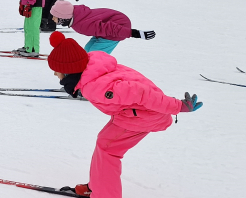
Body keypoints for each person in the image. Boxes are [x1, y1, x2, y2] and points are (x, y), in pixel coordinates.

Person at [46, 31, 202, 198]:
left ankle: (105, 194)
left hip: (143, 117)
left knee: (108, 150)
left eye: (57, 71)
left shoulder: (96, 87)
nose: (55, 75)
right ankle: (97, 186)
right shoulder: (94, 67)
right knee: (104, 143)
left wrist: (178, 106)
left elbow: (142, 92)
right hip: (134, 114)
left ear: (69, 71)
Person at [49, 0, 156, 54]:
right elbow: (99, 26)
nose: (53, 20)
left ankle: (89, 84)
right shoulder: (77, 14)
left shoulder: (82, 24)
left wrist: (134, 33)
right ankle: (78, 80)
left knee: (94, 58)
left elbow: (110, 28)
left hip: (117, 28)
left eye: (55, 17)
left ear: (64, 17)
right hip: (102, 29)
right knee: (86, 53)